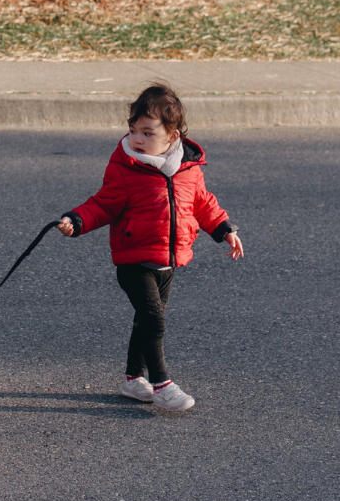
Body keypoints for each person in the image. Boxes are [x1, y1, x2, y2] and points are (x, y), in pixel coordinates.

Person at [57, 85, 245, 412]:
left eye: (147, 131)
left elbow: (203, 205)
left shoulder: (188, 170)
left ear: (173, 136)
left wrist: (225, 228)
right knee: (154, 320)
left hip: (168, 261)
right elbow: (103, 204)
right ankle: (162, 384)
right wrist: (77, 220)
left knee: (145, 322)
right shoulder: (126, 168)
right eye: (133, 130)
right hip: (134, 260)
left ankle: (132, 380)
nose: (137, 139)